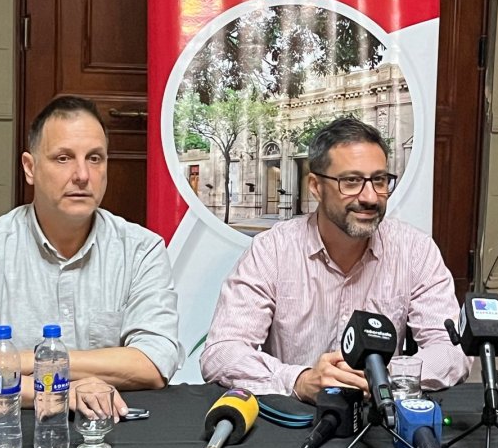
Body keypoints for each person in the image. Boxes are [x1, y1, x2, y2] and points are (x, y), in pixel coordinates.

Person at [0, 96, 183, 418]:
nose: (82, 175)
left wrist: (21, 360)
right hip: (10, 431)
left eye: (95, 158)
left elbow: (154, 362)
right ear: (30, 168)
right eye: (63, 158)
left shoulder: (142, 250)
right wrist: (63, 391)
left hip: (111, 428)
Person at [201, 117, 470, 402]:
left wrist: (384, 374)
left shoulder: (415, 251)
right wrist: (300, 380)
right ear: (316, 186)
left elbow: (452, 349)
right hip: (295, 420)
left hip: (380, 418)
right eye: (351, 181)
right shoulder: (272, 251)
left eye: (379, 180)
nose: (369, 197)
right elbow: (222, 351)